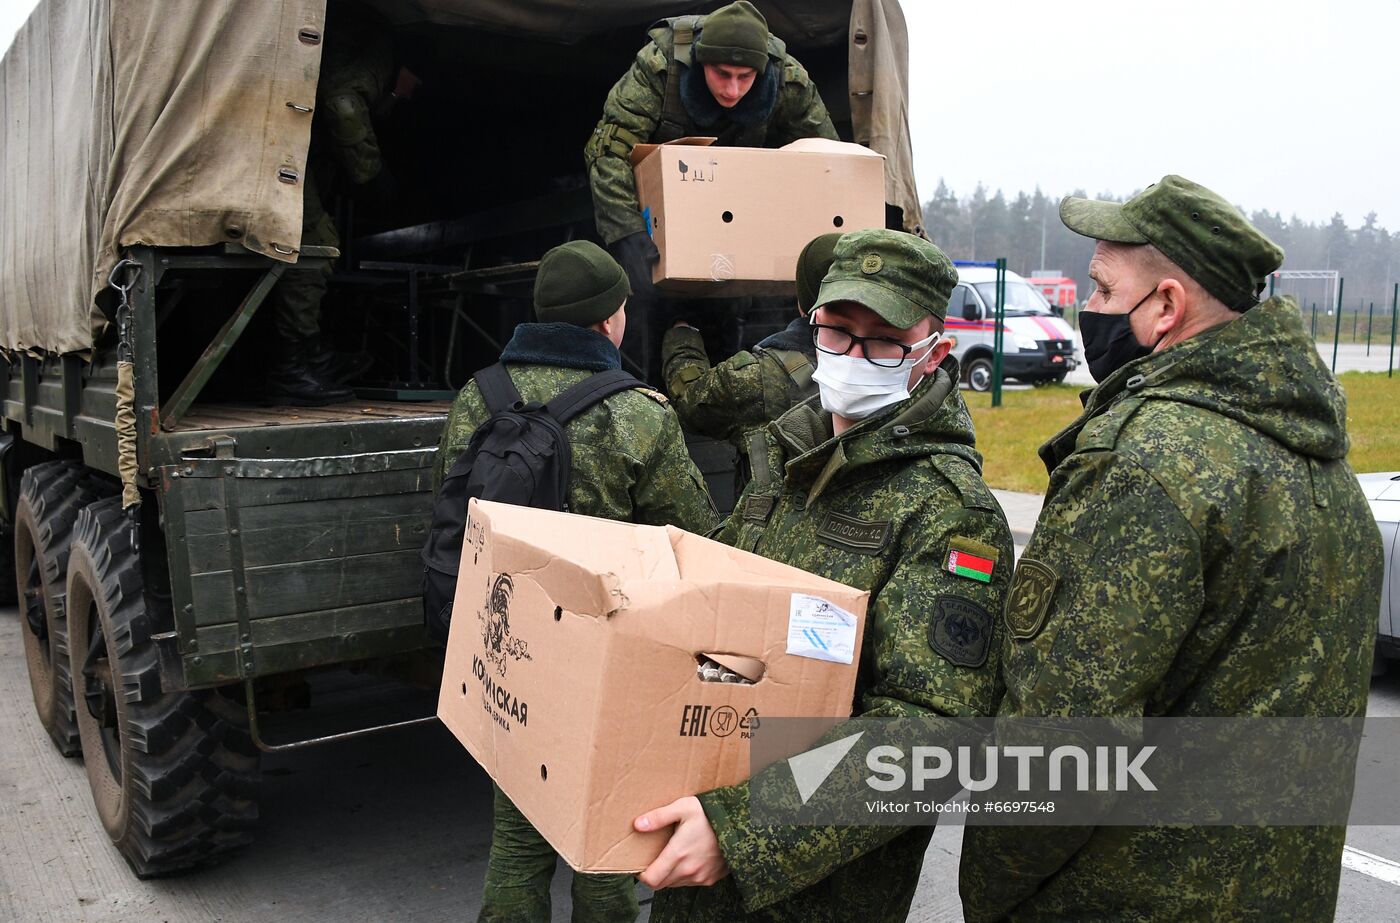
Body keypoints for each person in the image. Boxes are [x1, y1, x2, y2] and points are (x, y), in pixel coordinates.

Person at [958, 176, 1385, 920]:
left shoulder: (1142, 463)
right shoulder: (1323, 463)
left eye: (1102, 288)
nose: (1087, 307)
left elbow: (1064, 743)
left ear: (1165, 306)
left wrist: (989, 890)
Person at [638, 228, 1014, 922]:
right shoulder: (787, 459)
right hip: (699, 856)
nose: (854, 357)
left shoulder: (948, 513)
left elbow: (932, 733)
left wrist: (742, 830)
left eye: (884, 341)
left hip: (814, 893)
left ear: (933, 354)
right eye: (838, 332)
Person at [433, 240, 717, 923]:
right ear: (608, 319)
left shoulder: (479, 394)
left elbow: (454, 504)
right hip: (608, 656)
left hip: (509, 643)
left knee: (517, 833)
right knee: (607, 836)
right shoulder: (638, 412)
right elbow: (695, 536)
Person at [583, 0, 838, 376]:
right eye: (722, 74)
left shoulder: (788, 79)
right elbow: (608, 152)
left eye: (745, 77)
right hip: (664, 220)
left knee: (728, 326)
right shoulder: (660, 66)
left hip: (741, 221)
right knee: (649, 314)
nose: (733, 89)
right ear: (700, 62)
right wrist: (627, 232)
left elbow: (829, 162)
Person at [266, 3, 417, 405]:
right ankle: (290, 368)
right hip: (274, 149)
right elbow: (342, 103)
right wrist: (372, 175)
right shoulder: (377, 45)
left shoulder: (346, 35)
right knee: (313, 245)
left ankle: (310, 356)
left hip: (275, 146)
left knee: (309, 244)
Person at [660, 232, 836, 465]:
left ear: (801, 303)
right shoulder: (886, 368)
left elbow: (690, 402)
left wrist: (682, 334)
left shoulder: (756, 376)